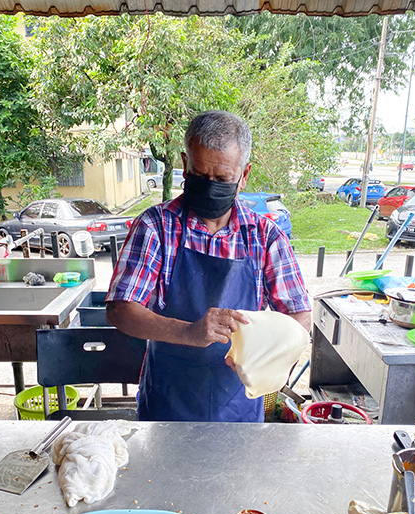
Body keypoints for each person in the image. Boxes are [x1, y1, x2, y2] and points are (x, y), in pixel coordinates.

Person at [106, 110, 312, 423]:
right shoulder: (156, 227)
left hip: (239, 409)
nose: (210, 186)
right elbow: (121, 309)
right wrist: (190, 331)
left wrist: (276, 359)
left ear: (244, 176)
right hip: (168, 404)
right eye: (200, 176)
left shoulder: (265, 237)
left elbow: (298, 316)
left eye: (222, 179)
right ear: (185, 166)